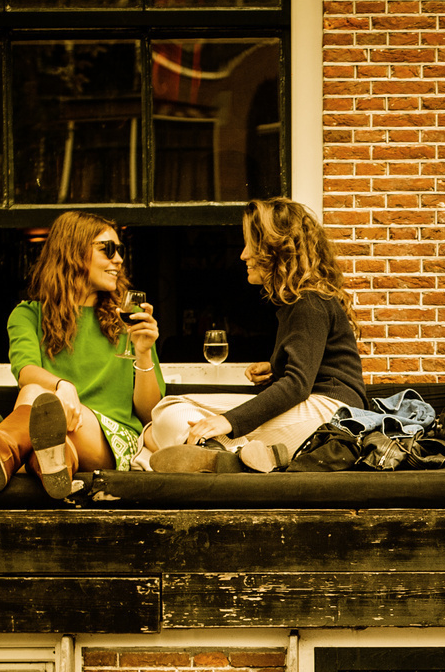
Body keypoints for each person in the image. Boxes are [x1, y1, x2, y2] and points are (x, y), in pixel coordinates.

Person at [140, 198, 366, 473]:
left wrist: (229, 421)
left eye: (251, 245)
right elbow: (312, 368)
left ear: (277, 249)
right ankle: (235, 457)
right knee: (163, 418)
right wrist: (276, 368)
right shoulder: (302, 300)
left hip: (329, 415)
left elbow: (297, 385)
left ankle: (221, 454)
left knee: (167, 413)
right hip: (319, 411)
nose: (243, 255)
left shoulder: (309, 301)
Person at [0, 210, 164, 500]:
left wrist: (143, 352)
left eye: (120, 250)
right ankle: (53, 464)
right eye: (108, 249)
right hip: (48, 429)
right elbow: (24, 370)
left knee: (40, 400)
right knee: (40, 403)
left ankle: (3, 451)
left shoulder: (130, 318)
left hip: (111, 440)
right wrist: (64, 387)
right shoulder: (28, 314)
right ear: (73, 252)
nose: (119, 260)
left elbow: (149, 412)